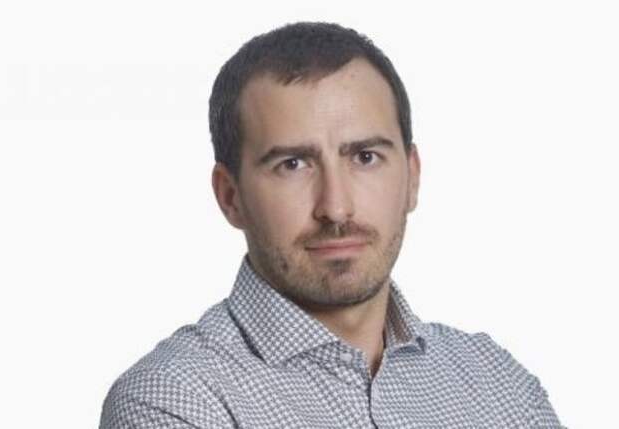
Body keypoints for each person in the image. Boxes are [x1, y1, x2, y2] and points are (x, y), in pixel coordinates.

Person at [99, 22, 564, 428]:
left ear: (412, 177)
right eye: (293, 164)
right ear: (230, 196)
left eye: (366, 157)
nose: (336, 208)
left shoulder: (497, 382)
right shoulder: (173, 397)